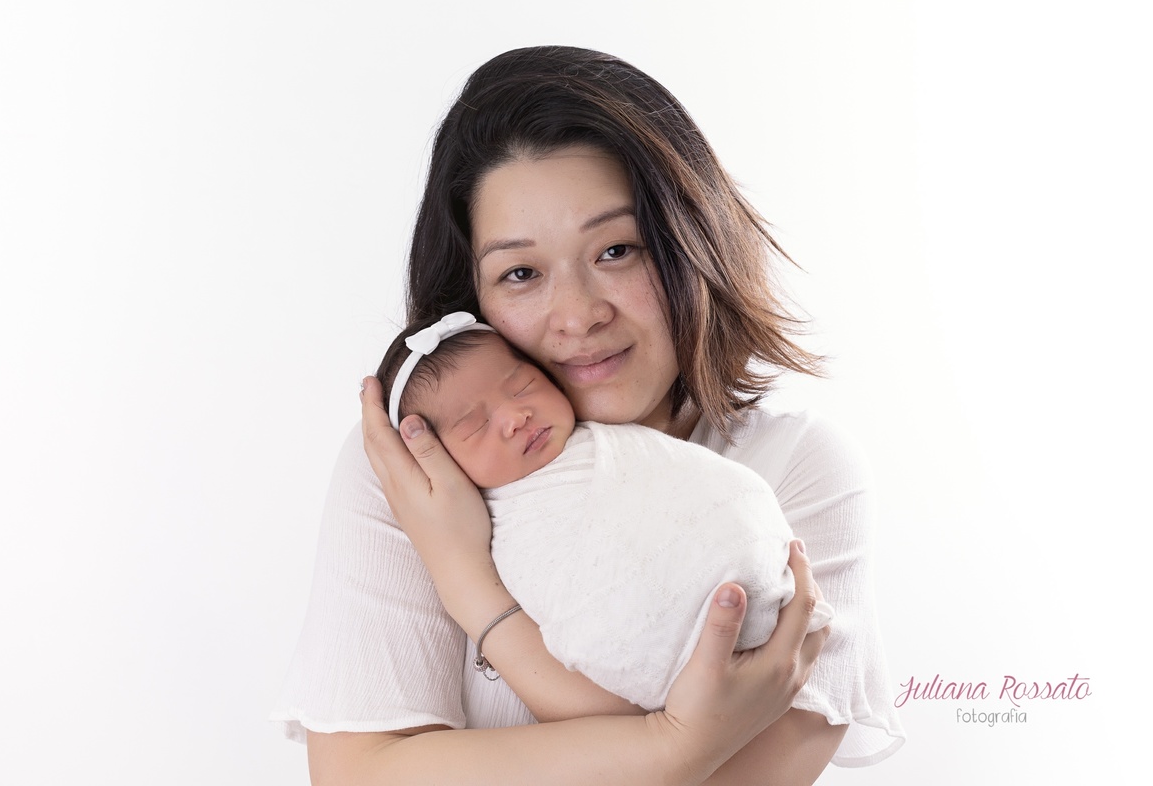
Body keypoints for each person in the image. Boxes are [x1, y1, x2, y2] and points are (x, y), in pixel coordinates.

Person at [273, 46, 905, 784]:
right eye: (521, 273)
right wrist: (674, 751)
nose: (577, 315)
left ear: (690, 241)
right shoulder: (419, 464)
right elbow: (358, 777)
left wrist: (469, 587)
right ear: (469, 299)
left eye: (617, 249)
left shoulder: (798, 471)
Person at [374, 311, 834, 711]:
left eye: (523, 386)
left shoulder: (607, 435)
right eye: (475, 426)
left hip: (775, 589)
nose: (516, 417)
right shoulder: (493, 522)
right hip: (680, 674)